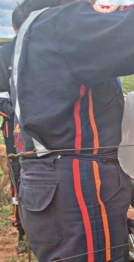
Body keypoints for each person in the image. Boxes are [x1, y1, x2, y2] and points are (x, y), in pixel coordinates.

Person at [11, 0, 134, 261]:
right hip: (77, 186)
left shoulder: (35, 29)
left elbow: (75, 106)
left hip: (51, 181)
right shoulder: (64, 22)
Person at [0, 5, 27, 254]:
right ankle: (22, 232)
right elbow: (0, 101)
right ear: (16, 28)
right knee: (18, 182)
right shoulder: (3, 55)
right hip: (15, 133)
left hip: (47, 133)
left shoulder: (44, 52)